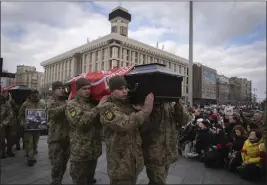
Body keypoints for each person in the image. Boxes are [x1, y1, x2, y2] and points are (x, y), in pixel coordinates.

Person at [100, 75, 154, 185]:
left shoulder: (129, 105)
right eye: (120, 89)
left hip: (133, 160)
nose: (125, 91)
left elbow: (139, 125)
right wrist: (145, 111)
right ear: (112, 90)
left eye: (125, 88)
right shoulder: (106, 107)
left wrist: (140, 111)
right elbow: (123, 124)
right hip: (119, 163)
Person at [65, 78, 105, 185]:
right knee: (79, 178)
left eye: (89, 88)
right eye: (84, 89)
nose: (88, 91)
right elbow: (80, 122)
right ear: (77, 90)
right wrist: (98, 108)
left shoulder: (93, 104)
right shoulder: (72, 105)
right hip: (80, 150)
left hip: (93, 149)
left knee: (90, 176)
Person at [47, 81, 70, 185]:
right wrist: (66, 106)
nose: (61, 90)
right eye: (58, 88)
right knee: (56, 164)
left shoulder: (66, 101)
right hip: (55, 139)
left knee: (64, 163)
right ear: (54, 90)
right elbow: (51, 114)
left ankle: (59, 180)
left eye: (62, 88)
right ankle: (55, 181)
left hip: (67, 138)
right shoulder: (50, 101)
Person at [18, 89, 46, 166]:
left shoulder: (43, 104)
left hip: (37, 128)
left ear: (38, 95)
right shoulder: (25, 104)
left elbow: (46, 114)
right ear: (30, 95)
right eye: (33, 95)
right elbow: (20, 115)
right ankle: (30, 158)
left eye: (36, 95)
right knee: (29, 142)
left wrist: (44, 123)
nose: (35, 96)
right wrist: (23, 123)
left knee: (35, 143)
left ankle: (32, 155)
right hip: (28, 128)